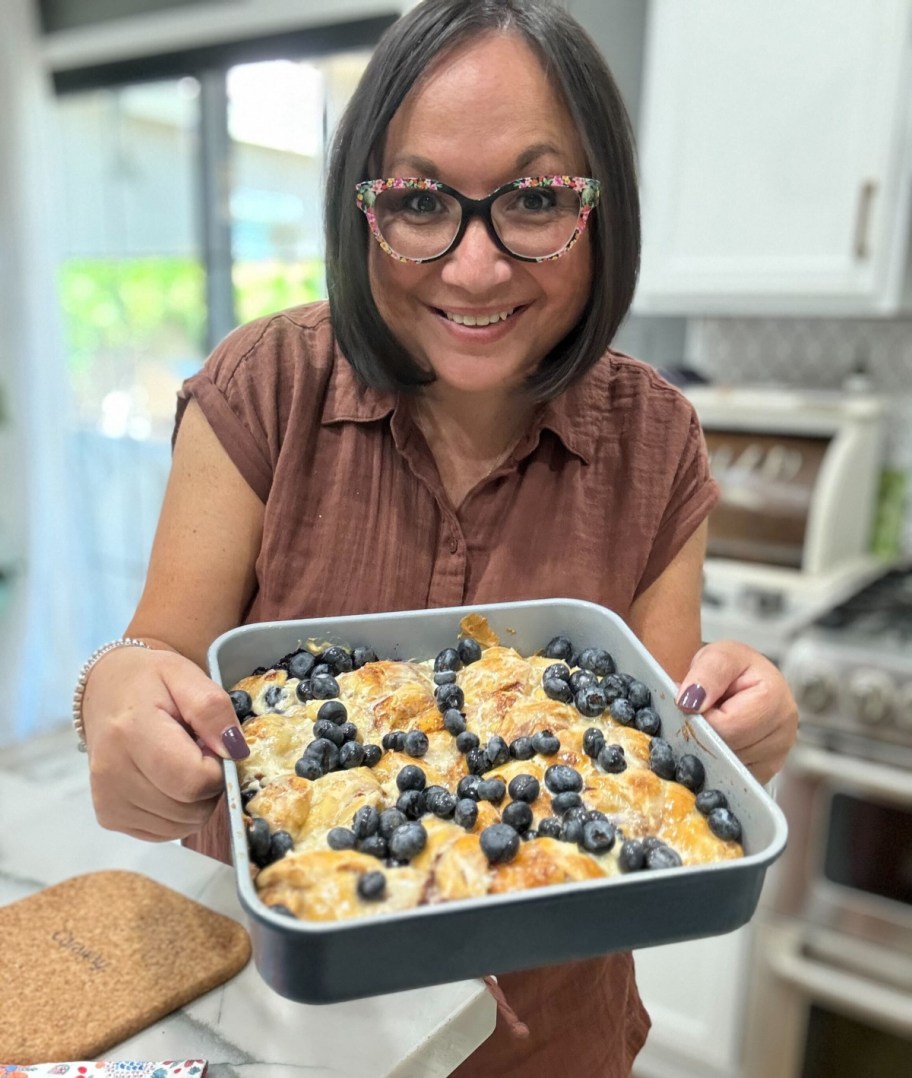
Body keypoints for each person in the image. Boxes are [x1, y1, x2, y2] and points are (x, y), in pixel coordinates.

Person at [77, 1, 798, 1074]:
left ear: (602, 210)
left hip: (559, 1039)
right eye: (420, 203)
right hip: (285, 1028)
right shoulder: (262, 388)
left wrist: (739, 735)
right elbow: (154, 663)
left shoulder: (658, 440)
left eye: (536, 199)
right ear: (361, 209)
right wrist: (116, 702)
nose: (473, 267)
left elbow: (661, 746)